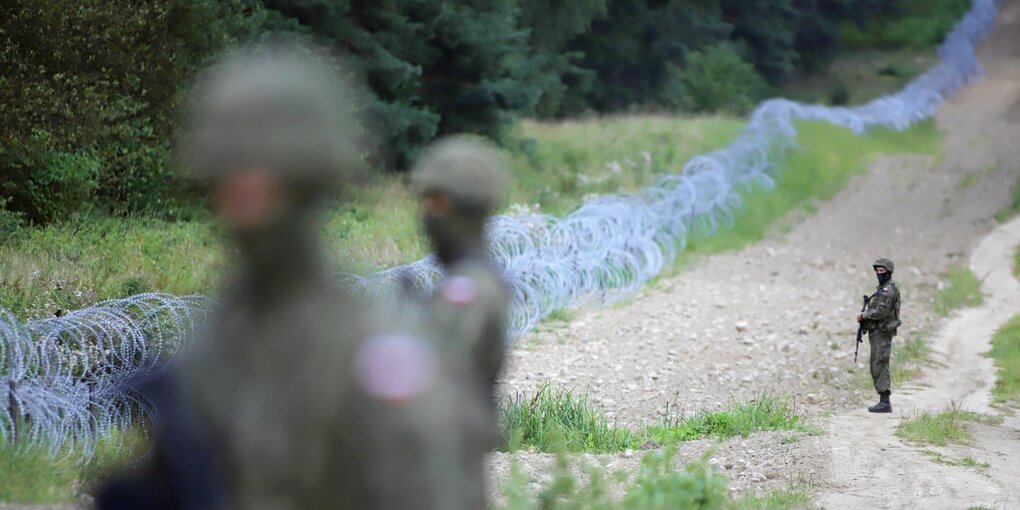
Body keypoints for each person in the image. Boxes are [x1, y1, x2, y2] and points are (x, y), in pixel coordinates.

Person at [101, 43, 482, 510]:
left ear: (310, 185)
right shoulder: (212, 348)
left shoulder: (373, 355)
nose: (243, 207)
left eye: (266, 188)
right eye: (228, 184)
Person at [412, 136, 511, 507]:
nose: (425, 217)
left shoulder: (468, 293)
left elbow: (431, 383)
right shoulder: (478, 282)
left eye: (434, 203)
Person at [856, 257, 902, 413]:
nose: (879, 273)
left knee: (879, 363)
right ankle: (883, 399)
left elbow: (881, 311)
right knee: (877, 363)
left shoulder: (888, 290)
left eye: (882, 271)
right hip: (878, 332)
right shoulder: (883, 288)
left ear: (888, 272)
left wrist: (865, 315)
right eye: (877, 270)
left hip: (882, 331)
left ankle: (885, 401)